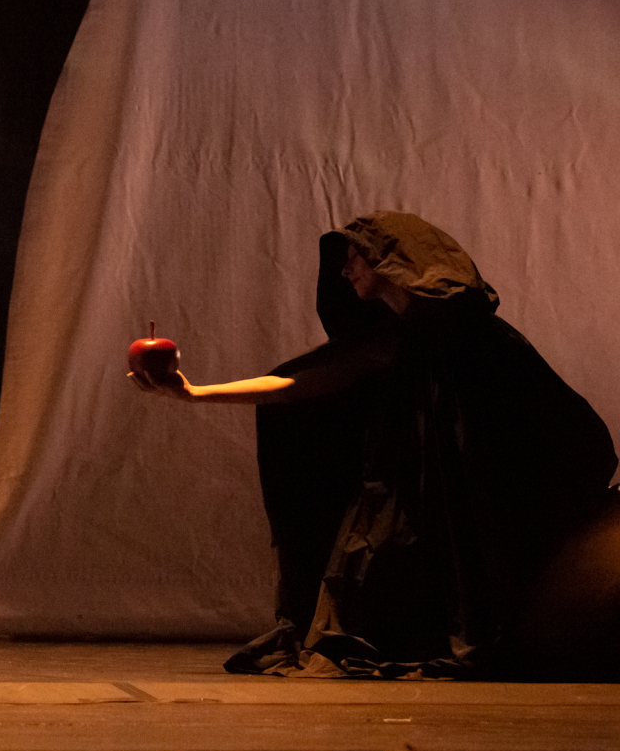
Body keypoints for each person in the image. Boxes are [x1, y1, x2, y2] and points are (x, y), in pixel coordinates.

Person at [131, 212, 618, 679]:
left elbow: (544, 415)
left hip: (483, 501)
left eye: (355, 258)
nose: (345, 270)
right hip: (421, 495)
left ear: (389, 262)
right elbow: (301, 383)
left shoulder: (475, 338)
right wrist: (195, 393)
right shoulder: (395, 339)